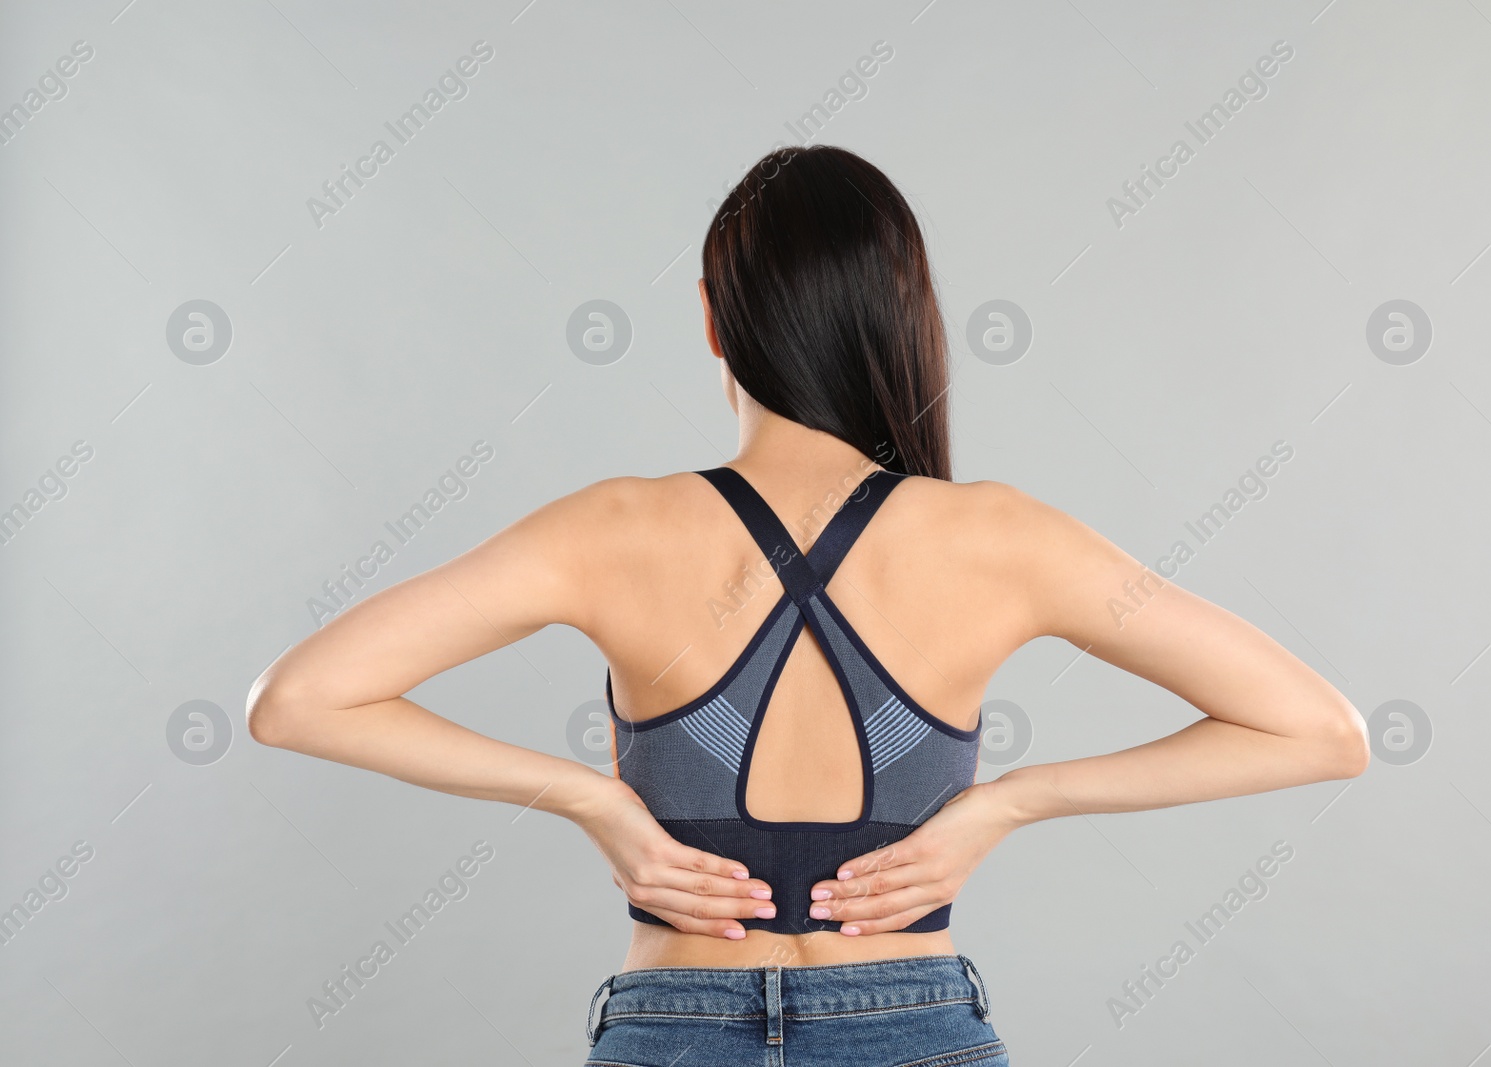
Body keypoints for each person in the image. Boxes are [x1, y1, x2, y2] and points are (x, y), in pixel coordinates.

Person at [246, 144, 1369, 1065]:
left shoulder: (613, 528)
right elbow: (1321, 731)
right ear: (901, 314)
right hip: (912, 1027)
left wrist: (588, 799)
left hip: (670, 1030)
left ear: (709, 317)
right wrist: (1008, 803)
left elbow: (296, 699)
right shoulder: (996, 536)